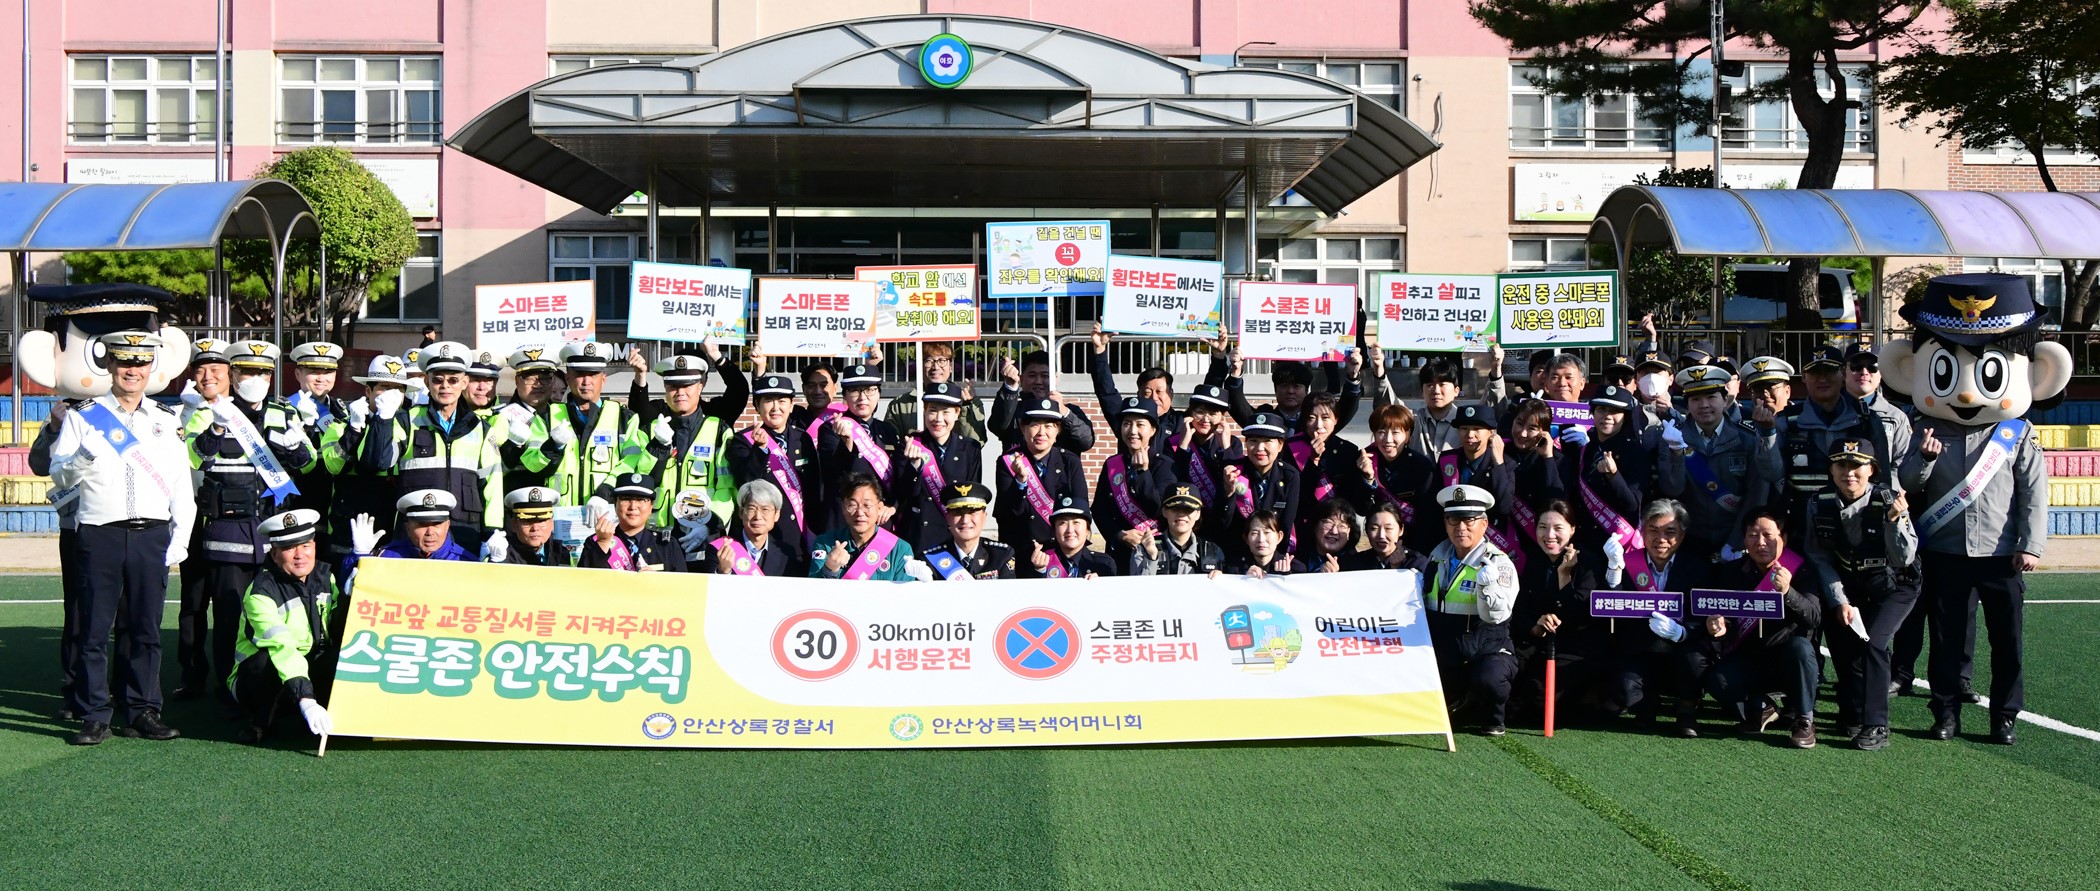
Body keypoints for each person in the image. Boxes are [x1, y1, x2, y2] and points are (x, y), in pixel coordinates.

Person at [1889, 274, 2065, 746]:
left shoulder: (2016, 432)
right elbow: (1907, 485)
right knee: (1947, 639)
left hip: (2003, 554)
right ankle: (1944, 711)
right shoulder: (1924, 427)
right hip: (1945, 550)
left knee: (2007, 642)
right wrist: (1923, 461)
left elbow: (2034, 491)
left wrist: (2032, 544)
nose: (1967, 393)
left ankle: (2005, 715)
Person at [49, 331, 197, 745]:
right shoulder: (84, 416)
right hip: (100, 532)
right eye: (124, 362)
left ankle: (142, 710)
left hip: (151, 534)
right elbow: (57, 472)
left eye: (140, 363)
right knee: (94, 629)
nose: (132, 370)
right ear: (110, 366)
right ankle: (94, 712)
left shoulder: (166, 421)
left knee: (145, 628)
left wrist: (180, 537)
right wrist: (80, 458)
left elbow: (180, 487)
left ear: (150, 369)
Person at [182, 340, 317, 704]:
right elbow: (193, 458)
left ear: (271, 377)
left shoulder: (284, 411)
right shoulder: (212, 412)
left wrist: (293, 446)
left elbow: (309, 463)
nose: (253, 379)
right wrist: (215, 432)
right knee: (229, 618)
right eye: (245, 372)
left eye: (261, 373)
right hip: (230, 533)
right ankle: (231, 690)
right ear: (234, 376)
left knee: (280, 618)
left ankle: (280, 689)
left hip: (276, 538)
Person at [1648, 509, 1820, 748]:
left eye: (1768, 535)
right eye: (1752, 535)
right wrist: (1716, 625)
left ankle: (1804, 721)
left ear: (1783, 538)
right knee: (1718, 680)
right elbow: (1723, 616)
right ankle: (1759, 707)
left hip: (1786, 657)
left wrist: (1787, 592)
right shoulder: (1732, 572)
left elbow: (1813, 617)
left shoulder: (1800, 569)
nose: (1760, 542)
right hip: (1748, 656)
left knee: (1801, 648)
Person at [1804, 442, 1920, 750]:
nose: (1849, 473)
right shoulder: (1819, 503)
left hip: (1894, 584)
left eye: (1857, 466)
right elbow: (1819, 558)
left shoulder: (1890, 500)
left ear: (1872, 470)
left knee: (1874, 644)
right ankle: (1854, 712)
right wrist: (1840, 600)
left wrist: (1895, 521)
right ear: (1831, 470)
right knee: (1844, 647)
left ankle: (1877, 725)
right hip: (1849, 583)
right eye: (1841, 465)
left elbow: (1904, 558)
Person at [362, 342, 507, 550]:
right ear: (427, 382)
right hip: (415, 530)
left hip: (465, 531)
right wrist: (383, 421)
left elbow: (492, 484)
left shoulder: (481, 428)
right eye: (437, 380)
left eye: (453, 380)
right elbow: (378, 462)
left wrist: (492, 532)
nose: (445, 386)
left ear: (465, 382)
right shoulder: (407, 421)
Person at [227, 509, 340, 746]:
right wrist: (307, 698)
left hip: (305, 670)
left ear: (314, 546)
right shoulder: (260, 592)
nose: (300, 555)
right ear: (275, 553)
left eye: (306, 546)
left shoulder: (325, 576)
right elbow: (282, 648)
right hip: (261, 680)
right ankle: (261, 722)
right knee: (264, 661)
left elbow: (340, 625)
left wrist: (352, 590)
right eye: (289, 548)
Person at [1513, 500, 1632, 725]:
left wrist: (1564, 575)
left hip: (1577, 649)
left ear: (1573, 530)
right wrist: (1536, 624)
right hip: (1539, 645)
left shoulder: (1588, 562)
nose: (1550, 535)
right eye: (1542, 527)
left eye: (1558, 528)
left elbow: (1578, 613)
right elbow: (1520, 610)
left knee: (1538, 700)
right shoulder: (1531, 559)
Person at [1758, 346, 1897, 535]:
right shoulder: (1786, 421)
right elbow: (1772, 474)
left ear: (1842, 373)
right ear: (1804, 377)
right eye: (1815, 373)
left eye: (1829, 371)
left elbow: (1882, 479)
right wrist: (1767, 433)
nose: (1822, 379)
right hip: (1801, 524)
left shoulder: (1867, 420)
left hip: (1855, 522)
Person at [1423, 484, 1521, 737]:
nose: (1461, 528)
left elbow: (1497, 615)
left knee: (1490, 679)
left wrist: (1488, 588)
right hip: (1447, 649)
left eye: (1469, 520)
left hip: (1485, 649)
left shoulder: (1498, 564)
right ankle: (1461, 701)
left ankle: (1494, 717)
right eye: (1453, 520)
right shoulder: (1436, 558)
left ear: (1484, 524)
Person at [1607, 499, 1710, 735]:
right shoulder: (1629, 563)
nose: (1660, 538)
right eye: (1652, 530)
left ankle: (1686, 711)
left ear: (1682, 536)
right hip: (1641, 649)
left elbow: (1703, 617)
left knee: (1695, 660)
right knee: (1624, 688)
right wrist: (1614, 571)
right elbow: (1612, 606)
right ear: (1642, 533)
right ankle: (1647, 706)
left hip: (1681, 652)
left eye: (1669, 532)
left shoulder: (1698, 568)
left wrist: (1682, 632)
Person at [629, 347, 746, 530]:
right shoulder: (653, 426)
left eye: (687, 385)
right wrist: (640, 376)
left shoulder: (718, 429)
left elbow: (726, 489)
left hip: (701, 532)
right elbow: (640, 478)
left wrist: (711, 525)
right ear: (665, 387)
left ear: (701, 386)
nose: (680, 392)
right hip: (655, 533)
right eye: (673, 386)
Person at [320, 355, 410, 581]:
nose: (390, 394)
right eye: (384, 388)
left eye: (397, 389)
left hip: (386, 530)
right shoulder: (339, 426)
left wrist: (384, 421)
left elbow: (379, 462)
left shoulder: (402, 428)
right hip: (343, 529)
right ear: (368, 391)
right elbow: (333, 465)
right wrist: (353, 430)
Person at [524, 342, 645, 508]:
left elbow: (632, 462)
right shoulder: (547, 417)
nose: (586, 381)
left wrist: (605, 491)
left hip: (605, 512)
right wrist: (553, 447)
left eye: (593, 374)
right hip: (559, 516)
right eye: (580, 374)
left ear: (603, 379)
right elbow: (532, 465)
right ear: (568, 378)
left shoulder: (624, 418)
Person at [1560, 386, 1678, 554]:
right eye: (1601, 409)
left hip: (1618, 542)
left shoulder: (1636, 451)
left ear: (1625, 416)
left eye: (1615, 411)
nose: (1607, 416)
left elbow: (1632, 505)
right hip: (1584, 541)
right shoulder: (1586, 447)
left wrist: (1613, 476)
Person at [1658, 364, 1756, 564]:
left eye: (1711, 397)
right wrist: (1677, 453)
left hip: (1735, 541)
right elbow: (1672, 489)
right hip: (1690, 541)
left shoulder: (1746, 439)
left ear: (1725, 399)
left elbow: (1755, 495)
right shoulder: (1672, 437)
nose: (1703, 405)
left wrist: (1737, 540)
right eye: (1695, 399)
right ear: (1687, 404)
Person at [726, 372, 819, 555]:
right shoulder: (743, 440)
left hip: (796, 537)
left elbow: (814, 489)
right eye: (768, 400)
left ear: (792, 406)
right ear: (758, 407)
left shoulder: (803, 439)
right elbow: (745, 482)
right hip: (760, 537)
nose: (776, 407)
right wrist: (759, 450)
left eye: (782, 401)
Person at [993, 397, 1090, 571]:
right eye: (1035, 425)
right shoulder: (1007, 462)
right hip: (1021, 552)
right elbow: (1007, 512)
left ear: (1058, 430)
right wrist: (1021, 480)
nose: (1041, 432)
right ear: (1023, 428)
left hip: (1060, 553)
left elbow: (1080, 511)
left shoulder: (1070, 461)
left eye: (1049, 426)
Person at [891, 381, 983, 551]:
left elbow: (972, 500)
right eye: (932, 410)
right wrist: (915, 466)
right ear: (924, 411)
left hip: (954, 537)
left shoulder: (970, 449)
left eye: (946, 412)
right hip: (918, 536)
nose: (938, 419)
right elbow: (902, 495)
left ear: (957, 414)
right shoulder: (909, 444)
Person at [817, 363, 904, 530]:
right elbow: (833, 474)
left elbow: (897, 476)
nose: (862, 398)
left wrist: (892, 505)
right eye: (855, 391)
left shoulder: (888, 430)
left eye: (869, 390)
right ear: (845, 396)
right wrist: (847, 442)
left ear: (879, 394)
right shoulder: (830, 428)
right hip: (846, 521)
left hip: (880, 521)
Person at [1427, 404, 1519, 557]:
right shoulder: (1447, 460)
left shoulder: (1505, 463)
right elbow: (1434, 506)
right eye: (1464, 428)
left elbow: (1505, 506)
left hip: (1490, 542)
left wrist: (1497, 462)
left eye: (1477, 429)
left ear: (1491, 433)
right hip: (1454, 539)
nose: (1470, 434)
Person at [1094, 396, 1173, 570]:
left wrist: (1142, 473)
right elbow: (1099, 509)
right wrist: (1118, 535)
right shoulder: (1112, 464)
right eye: (1127, 424)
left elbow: (1158, 508)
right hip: (1120, 552)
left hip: (1155, 551)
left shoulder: (1165, 465)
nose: (1132, 430)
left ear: (1152, 430)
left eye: (1140, 424)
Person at [1347, 403, 1438, 550]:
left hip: (1415, 543)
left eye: (1396, 433)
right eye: (1381, 432)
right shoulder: (1365, 460)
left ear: (1407, 435)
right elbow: (1361, 509)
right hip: (1379, 541)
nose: (1388, 439)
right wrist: (1368, 478)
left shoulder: (1421, 466)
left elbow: (1428, 517)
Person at [1218, 412, 1301, 567]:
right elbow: (1222, 523)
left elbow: (1286, 523)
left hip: (1273, 557)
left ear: (1280, 445)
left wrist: (1275, 562)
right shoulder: (1233, 471)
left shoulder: (1289, 476)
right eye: (1253, 441)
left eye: (1267, 441)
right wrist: (1228, 493)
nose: (1259, 448)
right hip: (1237, 558)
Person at [1089, 325, 1183, 455]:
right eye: (1147, 393)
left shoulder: (1182, 422)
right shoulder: (1127, 419)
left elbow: (1207, 403)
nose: (1154, 398)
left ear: (1171, 394)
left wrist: (1219, 355)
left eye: (1159, 392)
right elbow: (1106, 392)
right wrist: (1099, 350)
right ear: (1138, 395)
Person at [810, 472, 920, 581]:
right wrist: (829, 569)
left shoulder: (899, 549)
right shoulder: (825, 543)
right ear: (843, 508)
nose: (860, 512)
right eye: (852, 505)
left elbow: (904, 595)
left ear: (880, 508)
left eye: (867, 505)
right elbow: (812, 592)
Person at [1288, 392, 1362, 546]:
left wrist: (1368, 478)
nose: (1318, 425)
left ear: (1336, 419)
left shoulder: (1348, 451)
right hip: (1303, 530)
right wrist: (1313, 461)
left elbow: (1356, 501)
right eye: (1311, 418)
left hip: (1339, 532)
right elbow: (1297, 496)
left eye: (1325, 418)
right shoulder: (1290, 448)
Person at [577, 473, 688, 572]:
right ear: (615, 504)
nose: (633, 507)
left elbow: (682, 589)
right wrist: (603, 543)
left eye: (641, 500)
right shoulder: (596, 541)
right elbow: (585, 584)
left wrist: (656, 581)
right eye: (626, 499)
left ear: (651, 506)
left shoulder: (666, 545)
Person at [988, 349, 1095, 453]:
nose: (1038, 381)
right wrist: (1010, 388)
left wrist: (1064, 413)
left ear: (1056, 378)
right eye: (1032, 376)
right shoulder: (1013, 409)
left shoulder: (1070, 411)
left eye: (1045, 376)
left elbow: (1085, 441)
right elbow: (998, 427)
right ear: (1021, 378)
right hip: (1019, 469)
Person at [284, 341, 347, 516]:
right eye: (313, 372)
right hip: (298, 499)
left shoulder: (341, 410)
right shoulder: (285, 409)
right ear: (298, 374)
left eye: (328, 372)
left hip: (334, 500)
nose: (321, 378)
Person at [884, 342, 989, 440]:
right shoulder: (900, 404)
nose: (935, 367)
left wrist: (966, 406)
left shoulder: (967, 400)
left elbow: (977, 441)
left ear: (951, 366)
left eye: (942, 361)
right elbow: (889, 445)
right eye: (928, 361)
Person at [496, 345, 564, 488]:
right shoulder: (503, 417)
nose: (537, 385)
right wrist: (512, 447)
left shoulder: (563, 415)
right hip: (518, 503)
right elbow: (492, 469)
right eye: (530, 378)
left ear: (553, 381)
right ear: (517, 381)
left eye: (545, 378)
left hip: (562, 506)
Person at [920, 482, 1018, 580]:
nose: (965, 520)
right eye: (958, 512)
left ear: (984, 517)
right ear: (948, 518)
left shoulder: (1001, 555)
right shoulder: (931, 559)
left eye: (972, 512)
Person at [349, 489, 475, 565]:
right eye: (422, 525)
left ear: (447, 525)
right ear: (407, 527)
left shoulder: (466, 562)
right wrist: (360, 556)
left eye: (437, 524)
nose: (430, 532)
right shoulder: (387, 556)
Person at [1167, 383, 1242, 510]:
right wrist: (1183, 447)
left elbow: (1236, 480)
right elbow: (1173, 479)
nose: (1205, 419)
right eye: (1200, 412)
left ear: (1222, 417)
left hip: (1222, 512)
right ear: (1191, 413)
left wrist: (1226, 448)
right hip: (1186, 511)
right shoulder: (1174, 442)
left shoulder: (1233, 443)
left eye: (1213, 414)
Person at [703, 480, 801, 576]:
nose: (758, 516)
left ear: (776, 515)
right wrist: (723, 571)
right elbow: (710, 590)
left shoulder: (786, 554)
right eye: (751, 509)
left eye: (765, 510)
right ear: (741, 513)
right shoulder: (720, 549)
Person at [1131, 485, 1226, 577]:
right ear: (1164, 511)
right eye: (1175, 508)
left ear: (1198, 514)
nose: (1181, 514)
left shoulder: (1213, 551)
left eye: (1189, 509)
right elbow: (1138, 590)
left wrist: (1221, 580)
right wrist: (1151, 557)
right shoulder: (1144, 549)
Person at [482, 486, 574, 567]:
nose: (535, 528)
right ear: (514, 525)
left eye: (542, 521)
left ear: (552, 524)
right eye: (527, 521)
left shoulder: (562, 552)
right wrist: (498, 563)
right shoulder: (502, 554)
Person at [1030, 497, 1117, 579]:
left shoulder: (1104, 564)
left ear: (1087, 529)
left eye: (1076, 522)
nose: (1070, 530)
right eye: (1063, 523)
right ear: (1054, 530)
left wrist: (1100, 584)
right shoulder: (1041, 562)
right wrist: (1040, 571)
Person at [1341, 502, 1432, 574]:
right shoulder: (1354, 563)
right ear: (1366, 530)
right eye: (1374, 528)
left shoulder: (1416, 562)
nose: (1381, 535)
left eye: (1388, 528)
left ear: (1401, 530)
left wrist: (1398, 569)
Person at [1225, 510, 1306, 577]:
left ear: (1279, 537)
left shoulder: (1296, 569)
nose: (1261, 539)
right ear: (1246, 539)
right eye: (1255, 533)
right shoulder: (1235, 569)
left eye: (1267, 532)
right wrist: (1245, 577)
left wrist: (1286, 576)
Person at [1297, 498, 1361, 574]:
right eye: (1328, 523)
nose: (1334, 531)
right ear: (1315, 525)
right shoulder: (1296, 558)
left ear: (1349, 531)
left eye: (1342, 526)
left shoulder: (1357, 565)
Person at [788, 360, 843, 437]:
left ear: (835, 388)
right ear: (804, 389)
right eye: (811, 385)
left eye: (823, 385)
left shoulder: (845, 418)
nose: (818, 391)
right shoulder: (792, 418)